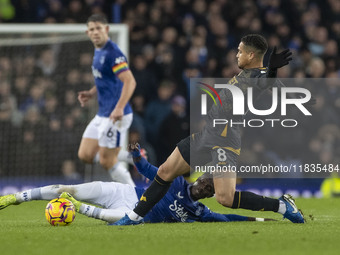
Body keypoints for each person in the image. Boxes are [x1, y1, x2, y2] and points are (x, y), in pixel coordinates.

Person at [114, 34, 307, 225]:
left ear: (250, 55)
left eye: (240, 51)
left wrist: (272, 69)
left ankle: (282, 206)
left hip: (225, 139)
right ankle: (133, 217)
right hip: (208, 134)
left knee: (225, 198)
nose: (236, 54)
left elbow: (266, 82)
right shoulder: (249, 73)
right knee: (164, 171)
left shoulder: (258, 75)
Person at [0, 144, 274, 224]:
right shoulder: (175, 179)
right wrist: (136, 154)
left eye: (211, 190)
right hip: (124, 192)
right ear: (200, 176)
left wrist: (258, 221)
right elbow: (145, 169)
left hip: (132, 213)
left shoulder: (199, 213)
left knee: (127, 218)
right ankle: (15, 198)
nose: (206, 187)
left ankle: (77, 209)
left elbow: (226, 217)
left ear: (211, 195)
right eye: (207, 182)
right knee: (64, 189)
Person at [77, 14, 136, 186]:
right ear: (88, 32)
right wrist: (92, 92)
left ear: (107, 29)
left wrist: (119, 108)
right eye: (92, 29)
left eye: (99, 28)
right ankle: (130, 156)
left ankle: (136, 198)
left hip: (117, 114)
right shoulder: (98, 50)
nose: (95, 32)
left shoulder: (113, 53)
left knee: (106, 161)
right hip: (103, 114)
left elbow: (130, 81)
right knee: (85, 155)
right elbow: (108, 79)